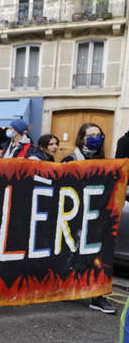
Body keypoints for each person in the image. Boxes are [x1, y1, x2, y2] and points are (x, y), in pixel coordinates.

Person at [60, 123, 114, 313]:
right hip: (74, 217)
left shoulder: (106, 162)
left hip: (96, 219)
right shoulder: (70, 160)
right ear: (82, 138)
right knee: (71, 254)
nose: (95, 138)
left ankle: (97, 296)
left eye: (98, 134)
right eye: (90, 135)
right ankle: (67, 287)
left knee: (98, 256)